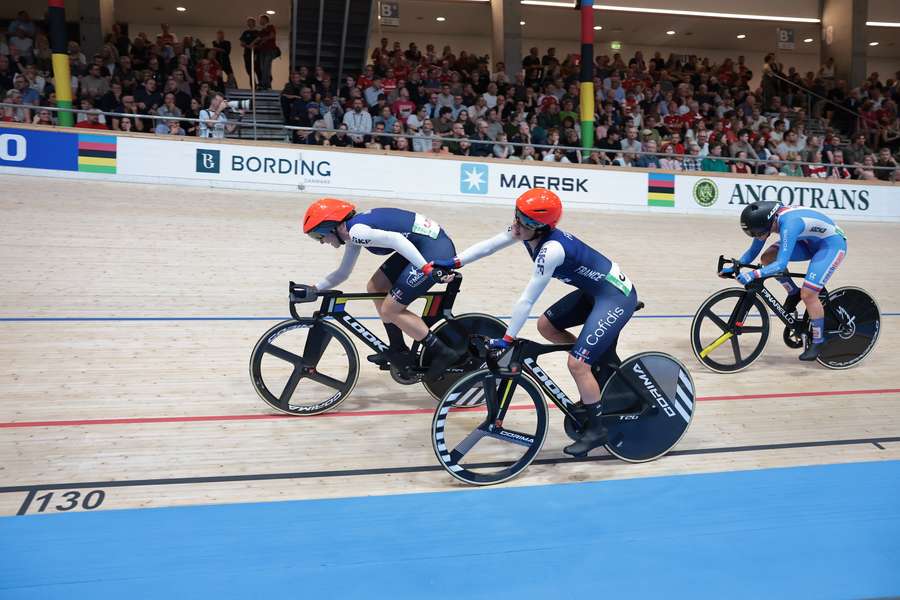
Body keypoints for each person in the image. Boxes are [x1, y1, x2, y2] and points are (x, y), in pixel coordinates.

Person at [429, 189, 639, 457]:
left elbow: (527, 299)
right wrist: (453, 262)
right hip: (595, 291)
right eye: (516, 216)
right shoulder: (527, 230)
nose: (516, 224)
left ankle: (597, 429)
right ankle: (596, 363)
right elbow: (489, 246)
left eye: (524, 221)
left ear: (540, 228)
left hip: (615, 296)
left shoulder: (551, 250)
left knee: (576, 364)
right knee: (545, 327)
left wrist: (507, 339)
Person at [302, 199, 462, 378]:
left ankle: (443, 352)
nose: (321, 242)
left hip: (435, 250)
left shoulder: (356, 232)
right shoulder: (352, 232)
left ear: (330, 226)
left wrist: (426, 269)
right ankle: (398, 348)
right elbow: (343, 272)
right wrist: (315, 288)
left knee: (390, 309)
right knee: (376, 286)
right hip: (423, 245)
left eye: (318, 236)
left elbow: (396, 239)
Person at [724, 201, 847, 361]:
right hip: (808, 241)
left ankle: (818, 340)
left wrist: (753, 275)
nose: (757, 237)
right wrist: (736, 266)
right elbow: (755, 250)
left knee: (809, 294)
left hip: (831, 245)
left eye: (758, 233)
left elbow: (781, 265)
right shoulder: (767, 220)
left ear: (768, 223)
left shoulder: (789, 224)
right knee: (768, 258)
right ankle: (792, 292)